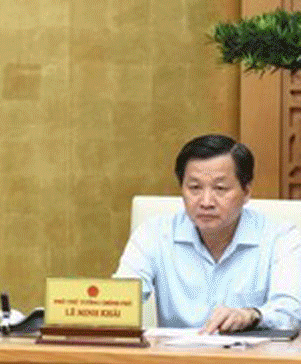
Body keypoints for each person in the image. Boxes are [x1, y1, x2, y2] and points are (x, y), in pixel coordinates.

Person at [115, 134, 301, 333]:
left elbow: (290, 313)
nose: (206, 202)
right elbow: (120, 299)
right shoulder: (154, 234)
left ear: (246, 191)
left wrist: (252, 315)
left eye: (220, 188)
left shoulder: (281, 238)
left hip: (252, 352)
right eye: (194, 188)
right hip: (177, 353)